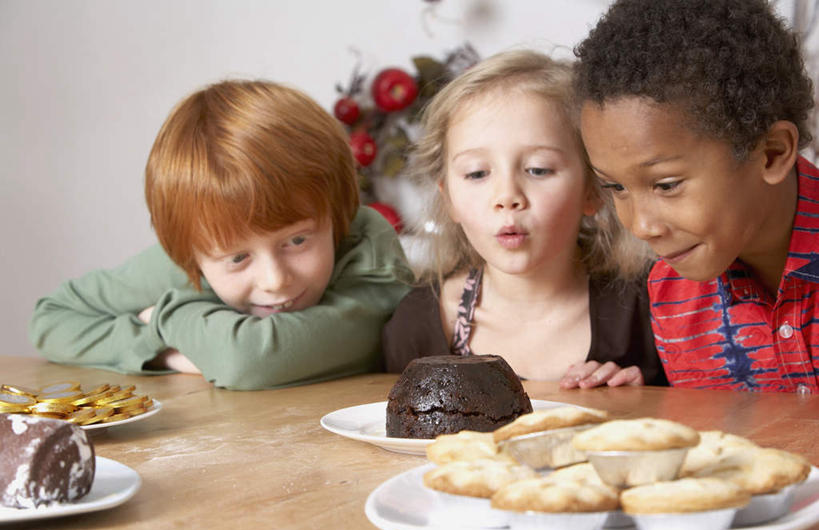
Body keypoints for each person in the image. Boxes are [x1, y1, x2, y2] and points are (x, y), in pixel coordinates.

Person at [30, 80, 413, 390]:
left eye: (296, 241)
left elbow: (250, 361)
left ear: (336, 212)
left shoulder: (366, 246)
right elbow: (52, 320)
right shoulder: (194, 253)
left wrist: (170, 318)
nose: (275, 280)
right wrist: (167, 354)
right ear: (189, 255)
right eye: (237, 259)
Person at [382, 50, 666, 388]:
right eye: (476, 173)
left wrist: (646, 403)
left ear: (593, 189)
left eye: (538, 169)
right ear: (449, 200)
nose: (507, 197)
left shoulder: (652, 309)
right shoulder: (414, 326)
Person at [574, 0, 818, 391]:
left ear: (772, 153)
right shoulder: (671, 297)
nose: (641, 226)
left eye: (667, 185)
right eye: (616, 187)